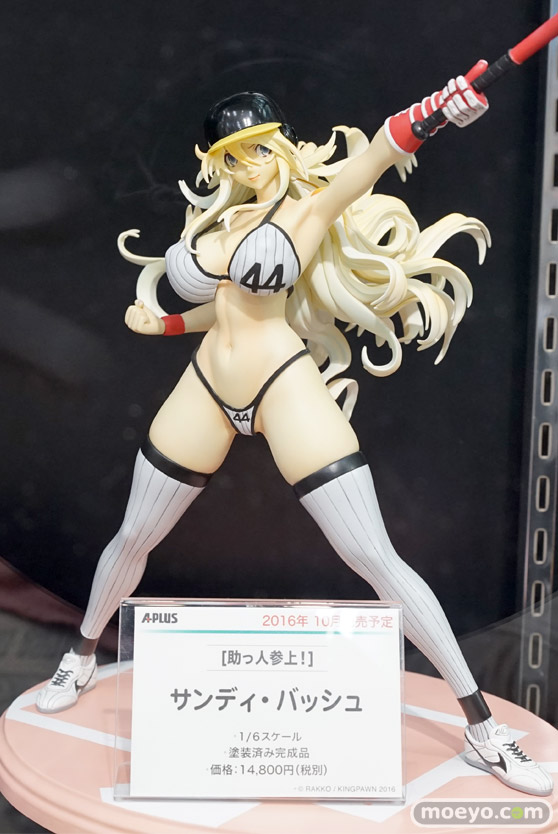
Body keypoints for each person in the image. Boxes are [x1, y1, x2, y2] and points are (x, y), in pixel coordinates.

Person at [36, 70, 553, 796]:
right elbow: (227, 306)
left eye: (256, 148)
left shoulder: (310, 207)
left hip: (282, 383)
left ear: (279, 144)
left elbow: (379, 152)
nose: (247, 164)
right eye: (231, 156)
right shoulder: (223, 222)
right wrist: (170, 324)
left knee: (374, 556)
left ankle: (483, 730)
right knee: (133, 536)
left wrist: (441, 108)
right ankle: (81, 657)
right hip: (207, 384)